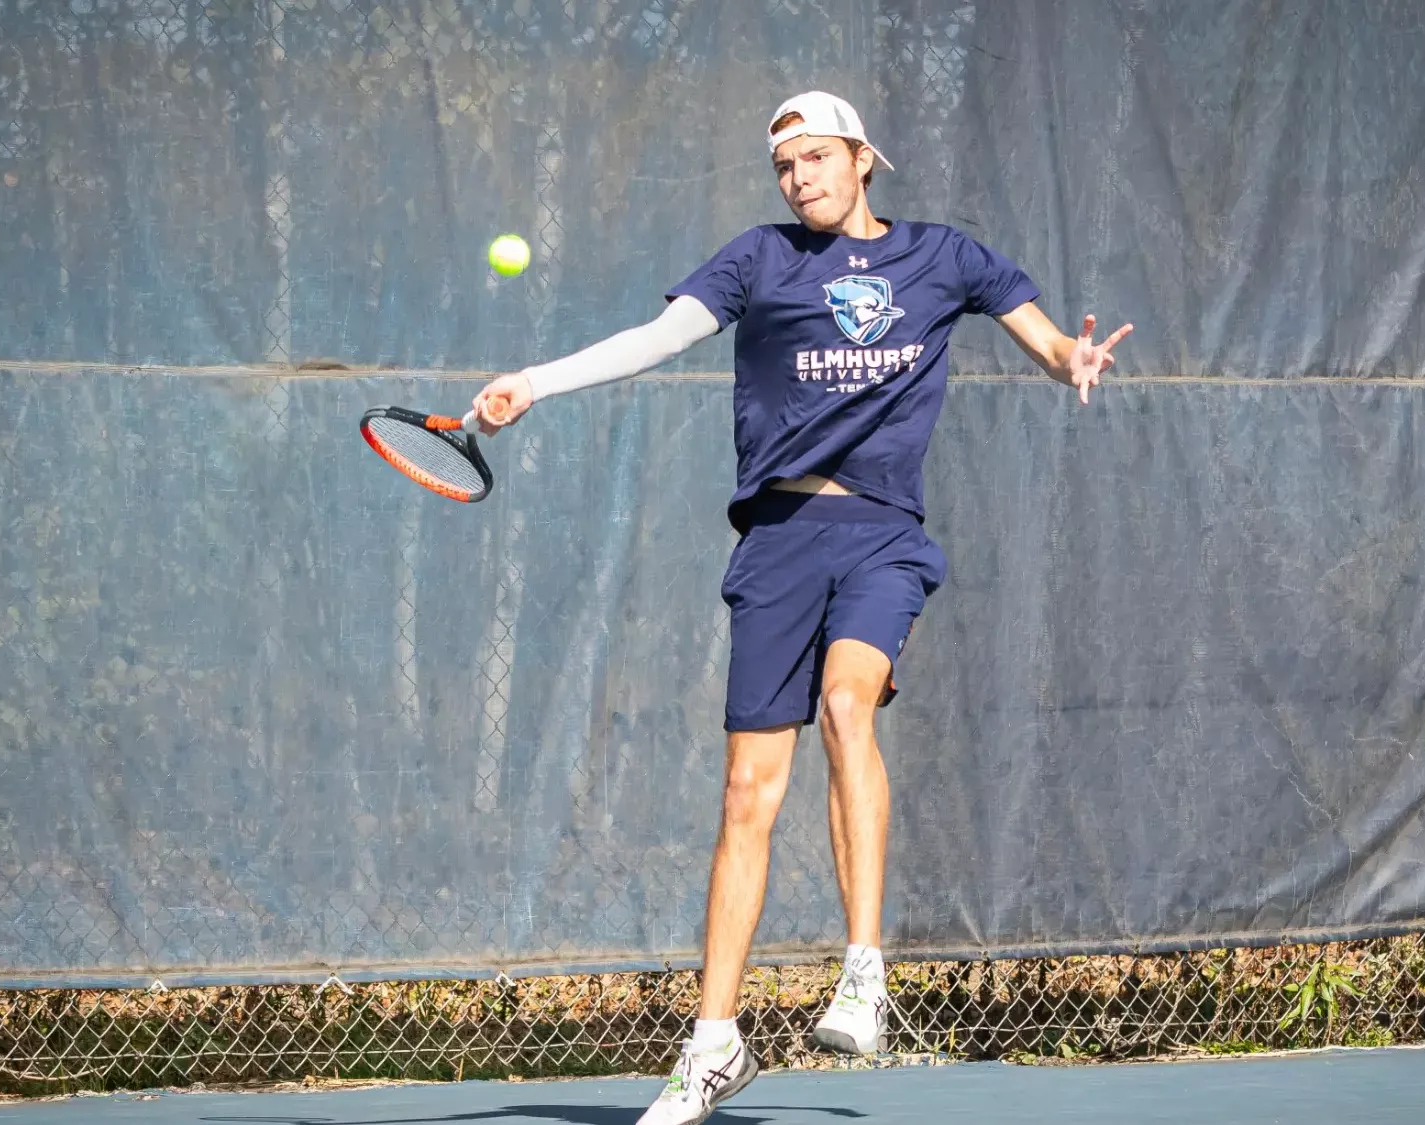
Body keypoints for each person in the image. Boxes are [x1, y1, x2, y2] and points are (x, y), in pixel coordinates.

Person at [472, 90, 1131, 1125]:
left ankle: (862, 976)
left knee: (844, 706)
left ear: (862, 159)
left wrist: (1068, 360)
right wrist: (535, 382)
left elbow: (1045, 341)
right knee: (745, 795)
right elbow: (655, 338)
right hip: (777, 545)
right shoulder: (757, 261)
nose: (799, 178)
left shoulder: (941, 257)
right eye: (784, 166)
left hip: (880, 537)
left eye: (816, 158)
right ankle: (711, 1047)